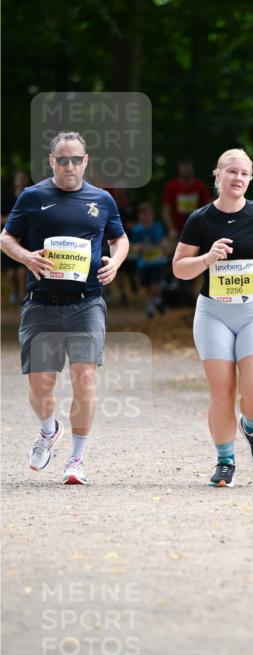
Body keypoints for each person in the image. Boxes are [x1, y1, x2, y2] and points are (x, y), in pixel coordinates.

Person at [0, 131, 128, 484]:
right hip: (41, 304)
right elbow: (6, 238)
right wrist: (26, 256)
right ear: (52, 161)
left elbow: (120, 238)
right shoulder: (32, 197)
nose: (69, 166)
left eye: (76, 159)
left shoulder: (101, 200)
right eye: (62, 160)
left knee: (84, 379)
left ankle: (76, 459)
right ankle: (48, 430)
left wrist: (116, 261)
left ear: (86, 161)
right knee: (41, 387)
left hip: (86, 304)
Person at [172, 148, 253, 488]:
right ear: (218, 175)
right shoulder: (200, 220)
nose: (238, 178)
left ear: (249, 179)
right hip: (214, 314)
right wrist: (208, 258)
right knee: (221, 392)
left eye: (244, 173)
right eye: (232, 172)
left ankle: (251, 426)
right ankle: (225, 460)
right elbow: (179, 269)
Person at [130, 201, 168, 318]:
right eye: (142, 214)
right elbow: (132, 245)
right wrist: (138, 247)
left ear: (152, 215)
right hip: (143, 263)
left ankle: (157, 299)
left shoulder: (158, 227)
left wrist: (164, 246)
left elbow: (164, 241)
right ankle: (150, 306)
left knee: (155, 285)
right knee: (146, 287)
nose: (145, 217)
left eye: (147, 214)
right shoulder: (137, 230)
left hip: (157, 261)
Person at [162, 157, 211, 242]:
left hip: (196, 230)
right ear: (179, 169)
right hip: (176, 232)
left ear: (192, 168)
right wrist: (171, 229)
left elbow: (207, 210)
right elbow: (166, 211)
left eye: (188, 166)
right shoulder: (171, 186)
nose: (186, 170)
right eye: (183, 167)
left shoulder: (200, 186)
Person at [1, 170, 31, 303]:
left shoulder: (31, 196)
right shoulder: (8, 198)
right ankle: (15, 291)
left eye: (23, 178)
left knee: (22, 272)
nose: (21, 181)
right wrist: (11, 219)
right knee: (11, 273)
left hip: (25, 238)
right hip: (11, 238)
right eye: (19, 178)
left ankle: (23, 298)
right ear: (15, 181)